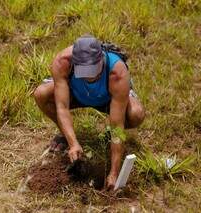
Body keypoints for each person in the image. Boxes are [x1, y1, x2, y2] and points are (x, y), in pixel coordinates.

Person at [33, 35, 145, 190]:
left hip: (107, 99)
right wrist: (73, 143)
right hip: (77, 94)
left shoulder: (117, 72)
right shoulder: (62, 62)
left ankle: (109, 140)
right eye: (84, 72)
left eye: (93, 71)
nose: (90, 77)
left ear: (101, 60)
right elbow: (62, 107)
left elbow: (117, 126)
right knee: (41, 94)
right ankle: (66, 137)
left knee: (136, 114)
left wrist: (114, 172)